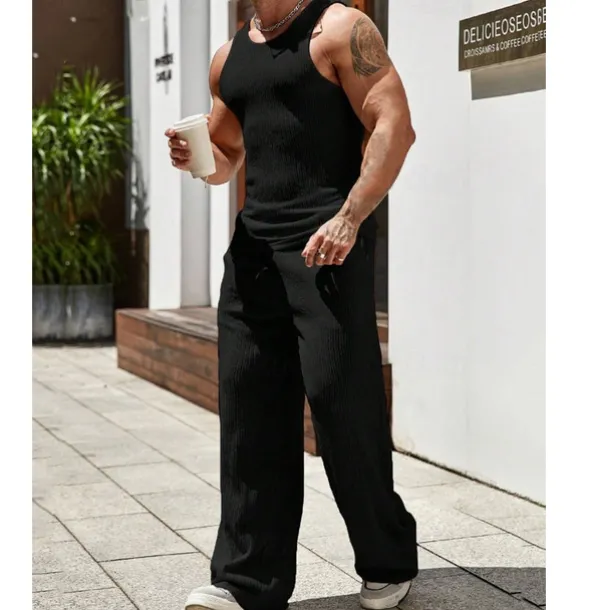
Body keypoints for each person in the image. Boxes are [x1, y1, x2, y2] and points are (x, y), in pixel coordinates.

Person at [165, 1, 418, 609]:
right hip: (253, 258)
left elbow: (394, 125)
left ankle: (387, 559)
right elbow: (227, 156)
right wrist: (199, 159)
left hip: (328, 248)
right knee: (250, 419)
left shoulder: (340, 29)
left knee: (343, 410)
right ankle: (245, 581)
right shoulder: (229, 56)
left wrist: (350, 218)